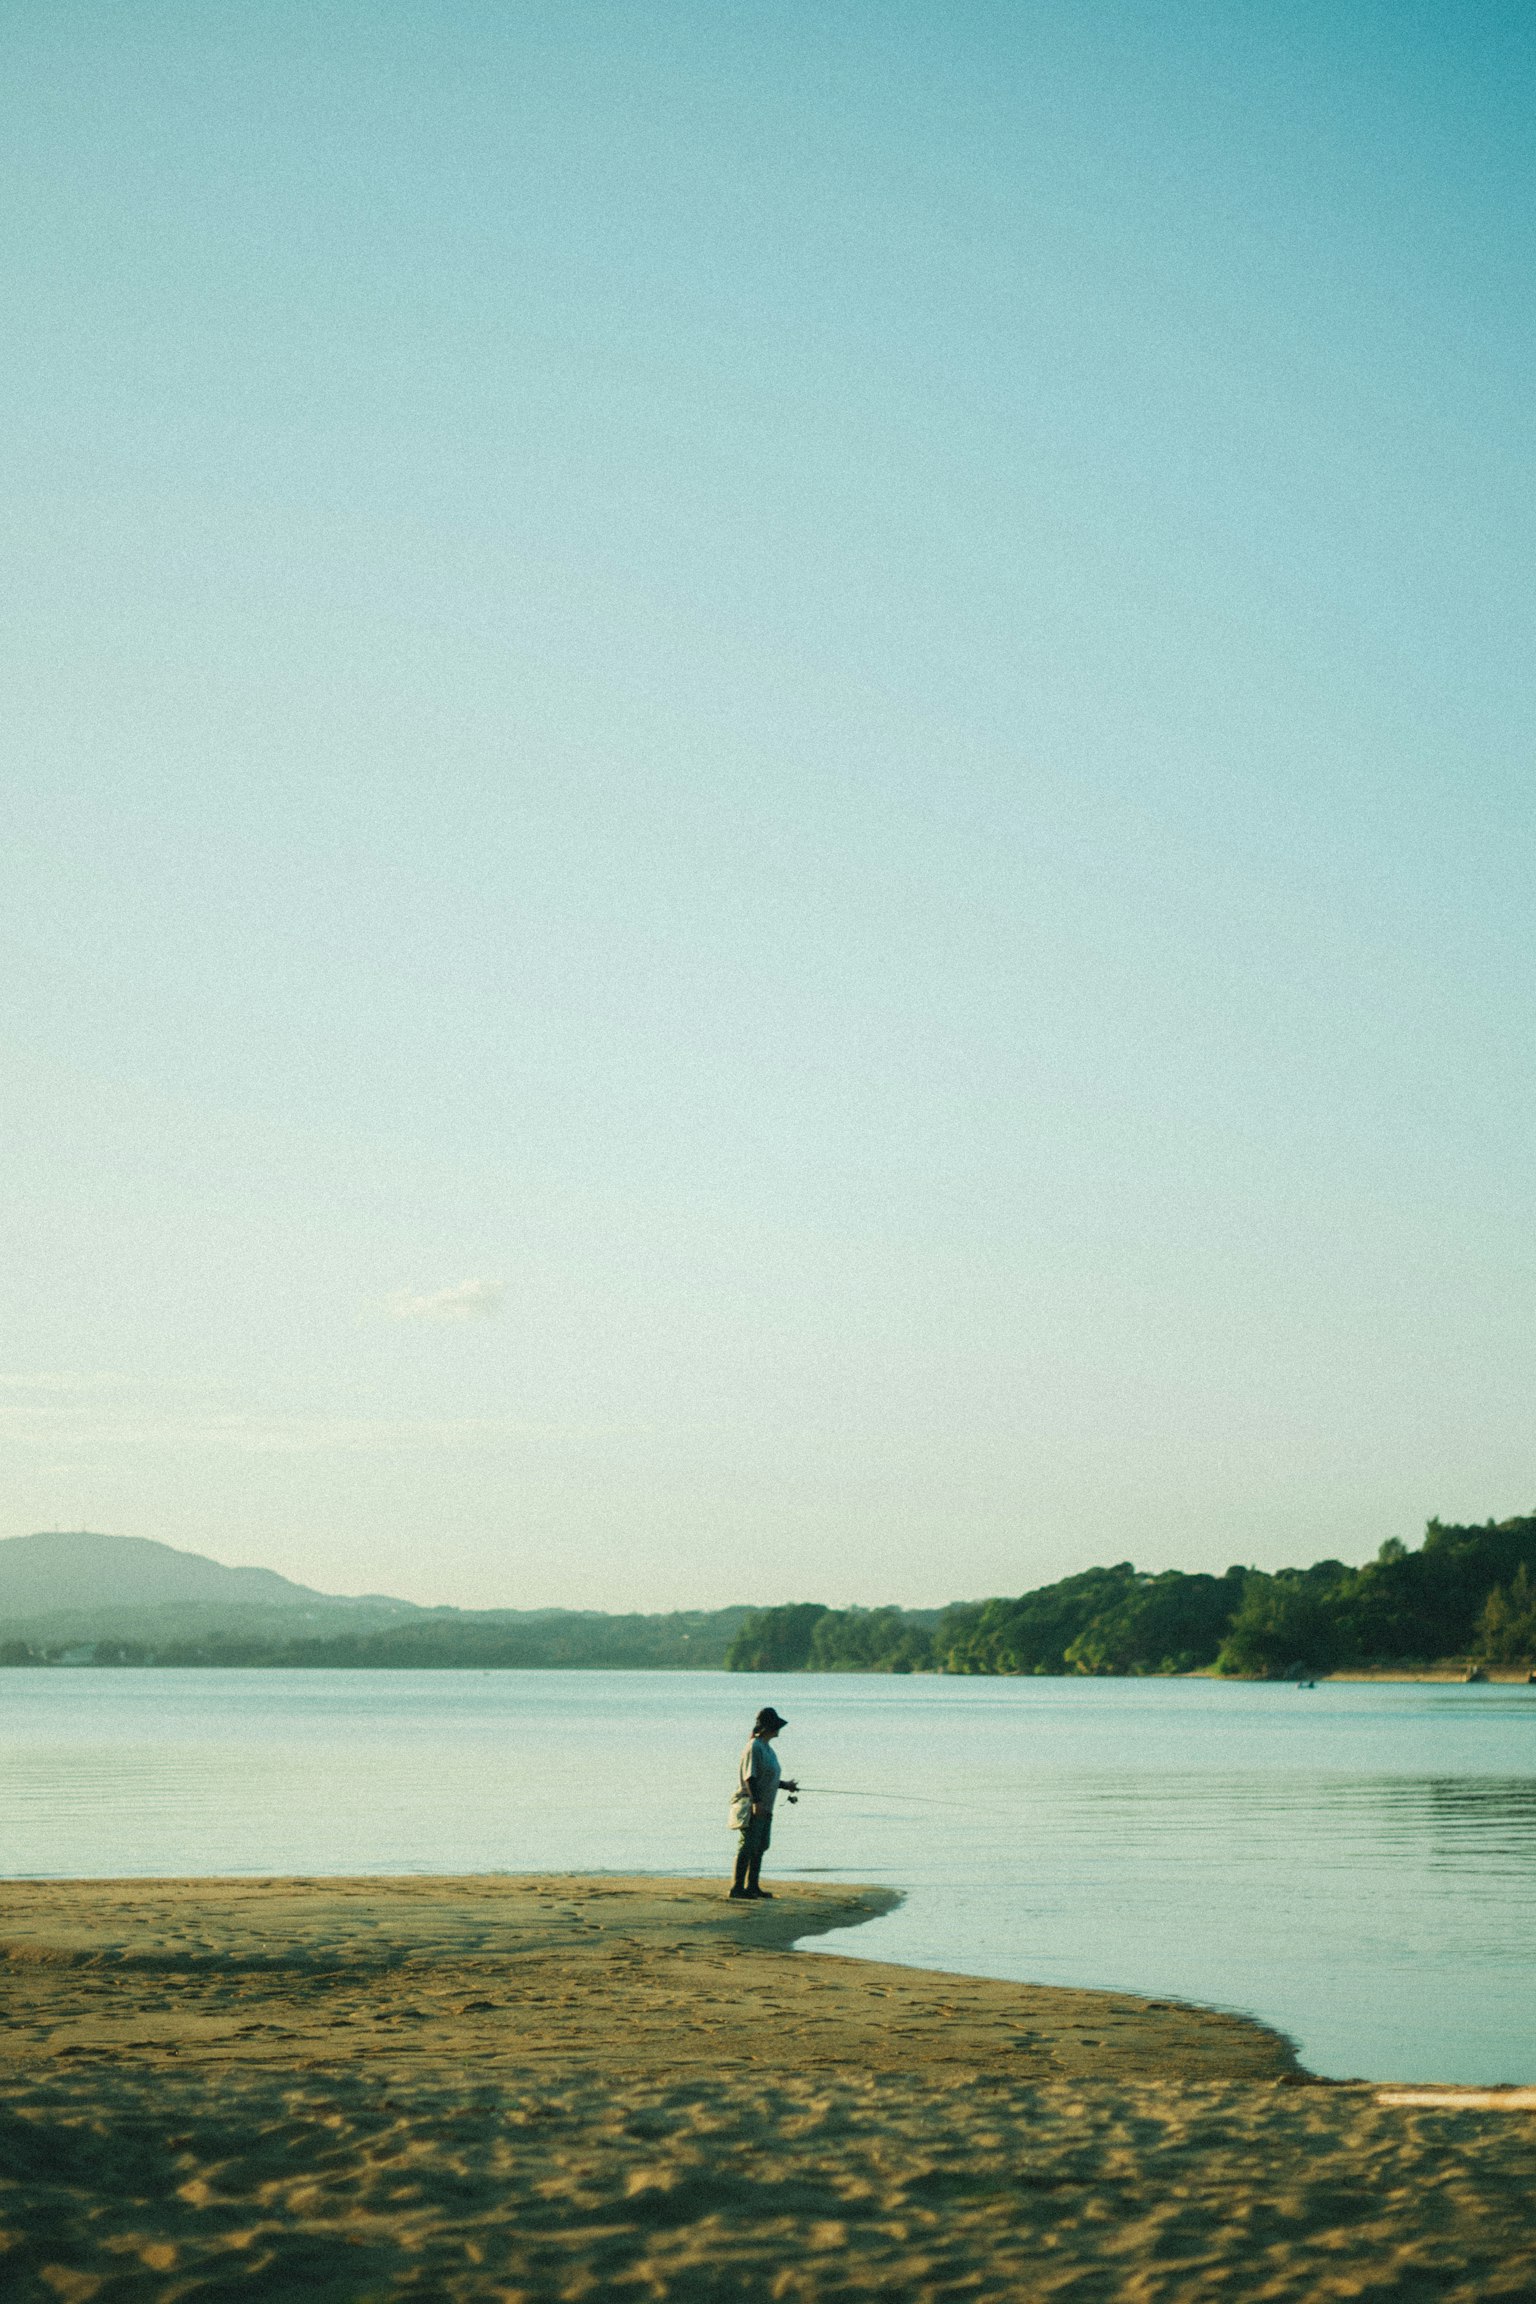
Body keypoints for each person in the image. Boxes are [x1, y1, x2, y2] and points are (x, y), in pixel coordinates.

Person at [729, 1706, 798, 1899]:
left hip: (766, 1806)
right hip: (752, 1805)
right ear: (768, 1727)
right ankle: (737, 1888)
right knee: (748, 1846)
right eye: (776, 1726)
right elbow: (750, 1778)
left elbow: (767, 1778)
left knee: (761, 1846)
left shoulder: (767, 1748)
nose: (779, 1730)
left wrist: (786, 1785)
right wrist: (756, 1803)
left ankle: (752, 1887)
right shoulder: (754, 1746)